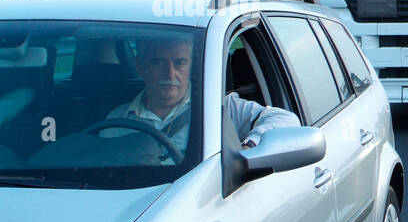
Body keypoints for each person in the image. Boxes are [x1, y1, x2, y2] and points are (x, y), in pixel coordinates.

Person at [101, 34, 298, 162]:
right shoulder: (117, 122)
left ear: (191, 67)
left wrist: (248, 147)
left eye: (179, 63)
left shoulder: (221, 108)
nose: (170, 74)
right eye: (159, 63)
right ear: (140, 66)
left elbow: (287, 120)